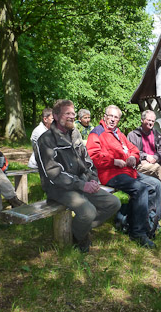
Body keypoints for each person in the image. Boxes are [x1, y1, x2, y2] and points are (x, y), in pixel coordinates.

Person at [34, 99, 121, 253]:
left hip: (81, 182)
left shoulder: (75, 134)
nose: (72, 116)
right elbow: (54, 174)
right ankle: (78, 237)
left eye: (73, 113)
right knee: (88, 211)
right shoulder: (46, 140)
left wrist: (93, 180)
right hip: (58, 188)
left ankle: (79, 229)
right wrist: (82, 185)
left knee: (113, 203)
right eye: (67, 113)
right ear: (55, 115)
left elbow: (87, 161)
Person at [86, 105, 161, 249]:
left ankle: (150, 225)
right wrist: (113, 161)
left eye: (116, 117)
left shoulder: (119, 134)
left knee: (156, 184)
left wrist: (133, 157)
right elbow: (93, 156)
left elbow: (133, 149)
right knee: (140, 189)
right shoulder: (97, 133)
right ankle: (137, 233)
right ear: (105, 116)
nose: (113, 120)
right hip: (109, 174)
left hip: (128, 172)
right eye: (111, 116)